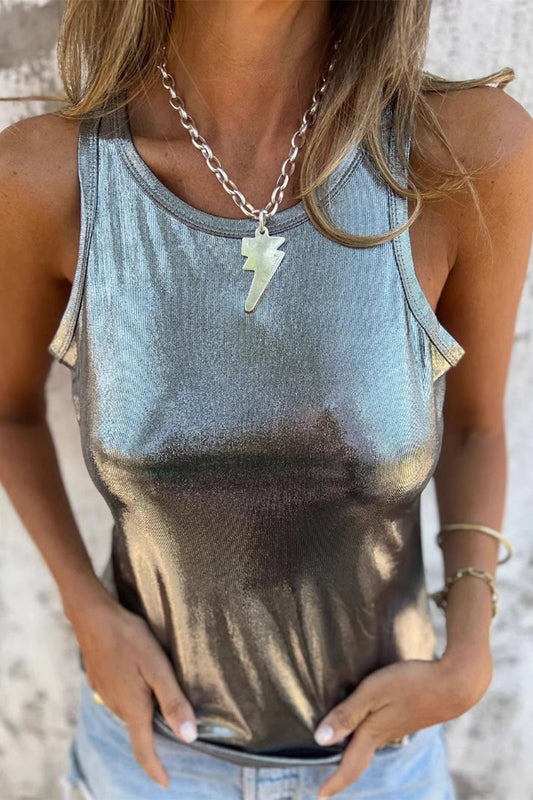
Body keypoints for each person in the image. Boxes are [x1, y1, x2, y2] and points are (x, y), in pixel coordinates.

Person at [1, 0, 531, 798]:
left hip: (379, 766)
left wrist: (467, 655)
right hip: (148, 762)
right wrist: (87, 611)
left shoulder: (460, 152)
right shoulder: (50, 176)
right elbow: (8, 411)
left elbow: (474, 427)